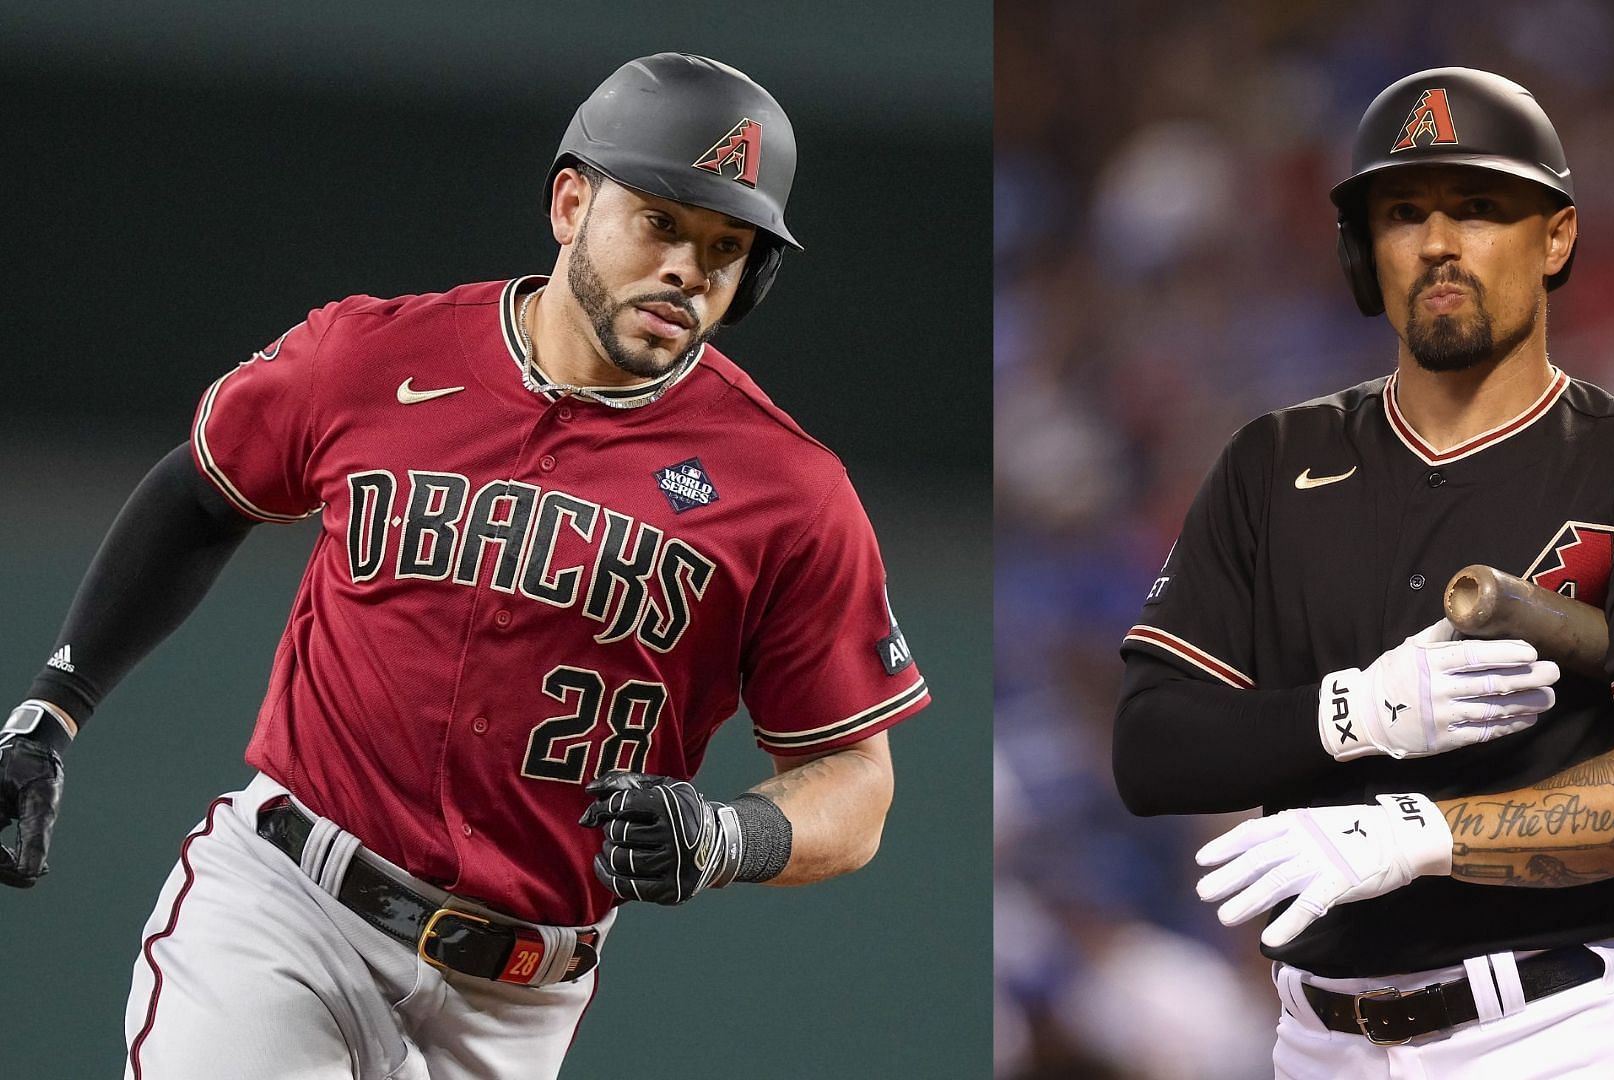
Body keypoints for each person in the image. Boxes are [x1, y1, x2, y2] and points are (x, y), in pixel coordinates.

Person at [0, 52, 929, 1080]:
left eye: (726, 245)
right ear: (571, 203)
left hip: (519, 1000)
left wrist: (723, 836)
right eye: (661, 221)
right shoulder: (369, 356)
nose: (689, 268)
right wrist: (51, 708)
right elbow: (202, 491)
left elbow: (857, 787)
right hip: (287, 911)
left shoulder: (787, 489)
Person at [1112, 67, 1614, 1078]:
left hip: (1561, 1032)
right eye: (1403, 212)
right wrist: (1353, 713)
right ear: (1362, 251)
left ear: (1556, 237)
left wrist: (1420, 835)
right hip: (1318, 1039)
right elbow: (1152, 749)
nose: (1438, 244)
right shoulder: (1272, 460)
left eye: (1478, 208)